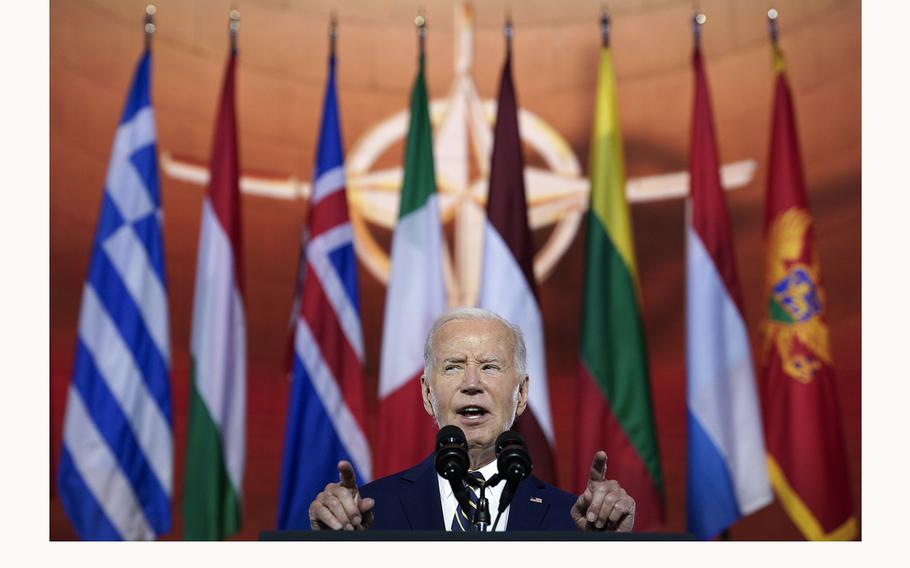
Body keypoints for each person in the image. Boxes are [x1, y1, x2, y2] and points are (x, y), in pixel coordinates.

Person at [308, 308, 635, 532]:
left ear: (521, 395)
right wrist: (328, 549)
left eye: (490, 366)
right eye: (453, 366)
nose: (472, 383)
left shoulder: (572, 521)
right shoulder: (370, 514)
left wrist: (611, 552)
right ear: (426, 393)